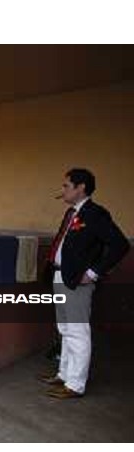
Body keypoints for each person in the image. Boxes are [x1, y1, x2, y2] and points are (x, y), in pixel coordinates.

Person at [41, 168, 130, 399]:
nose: (62, 191)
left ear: (81, 187)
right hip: (60, 276)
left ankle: (75, 385)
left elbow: (120, 245)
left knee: (78, 332)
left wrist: (93, 273)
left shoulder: (95, 213)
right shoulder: (72, 213)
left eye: (66, 186)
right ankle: (64, 374)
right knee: (65, 330)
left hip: (77, 282)